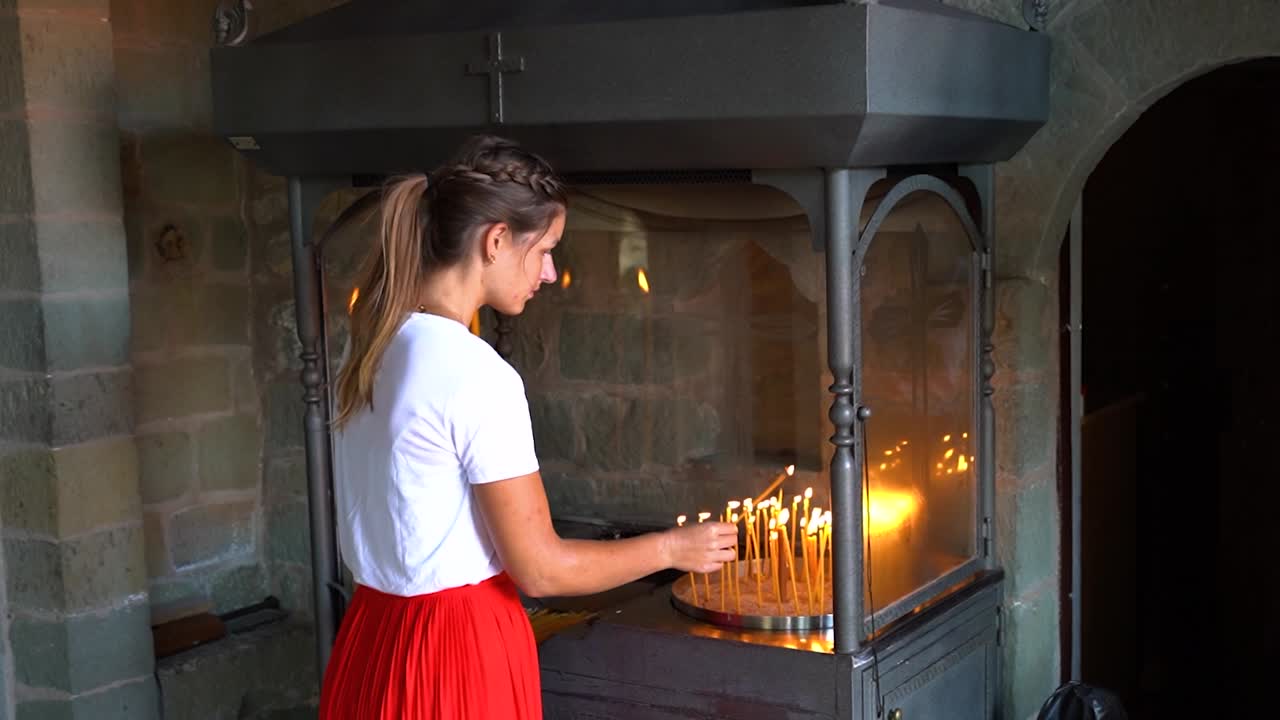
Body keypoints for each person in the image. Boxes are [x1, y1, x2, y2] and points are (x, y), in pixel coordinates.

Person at [318, 135, 737, 720]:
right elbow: (539, 569)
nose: (549, 272)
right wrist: (673, 547)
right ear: (495, 241)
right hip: (456, 654)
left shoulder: (370, 351)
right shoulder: (475, 374)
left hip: (372, 639)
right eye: (544, 250)